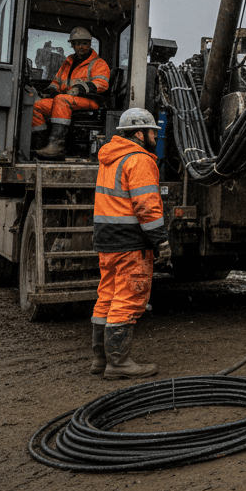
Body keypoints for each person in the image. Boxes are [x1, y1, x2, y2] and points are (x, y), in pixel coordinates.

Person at [90, 108, 170, 379]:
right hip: (130, 243)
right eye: (151, 132)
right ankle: (118, 363)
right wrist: (161, 241)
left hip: (107, 241)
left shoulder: (110, 158)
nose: (154, 137)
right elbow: (147, 205)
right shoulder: (139, 160)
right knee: (128, 298)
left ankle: (100, 360)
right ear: (139, 133)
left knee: (107, 298)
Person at [33, 26, 111, 159]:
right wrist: (50, 90)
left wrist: (81, 88)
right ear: (73, 45)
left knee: (61, 100)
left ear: (90, 44)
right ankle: (40, 145)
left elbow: (102, 83)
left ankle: (56, 145)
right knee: (37, 105)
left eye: (85, 44)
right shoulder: (68, 62)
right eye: (78, 44)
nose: (82, 47)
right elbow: (57, 82)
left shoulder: (98, 63)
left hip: (90, 101)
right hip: (67, 100)